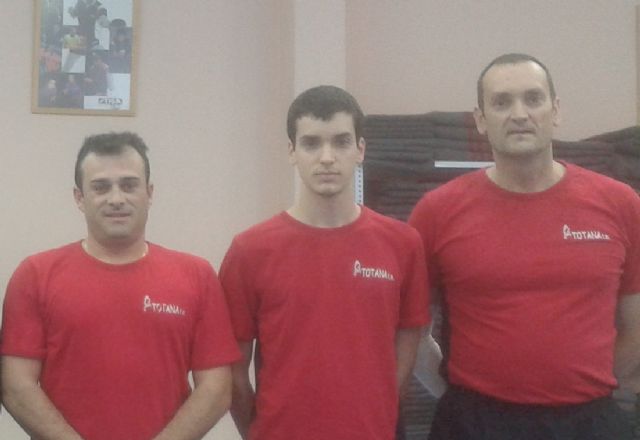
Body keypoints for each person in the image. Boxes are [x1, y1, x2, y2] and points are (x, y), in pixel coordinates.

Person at [409, 53, 640, 440]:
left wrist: (585, 388)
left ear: (556, 110)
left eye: (533, 99)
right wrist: (455, 398)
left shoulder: (620, 204)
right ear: (481, 119)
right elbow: (413, 333)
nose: (519, 114)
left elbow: (637, 327)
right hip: (474, 423)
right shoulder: (437, 211)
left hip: (590, 422)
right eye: (501, 102)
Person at [219, 85, 430, 440]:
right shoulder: (249, 251)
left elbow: (409, 339)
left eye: (341, 142)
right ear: (292, 151)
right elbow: (233, 371)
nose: (327, 157)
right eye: (312, 143)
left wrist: (380, 413)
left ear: (360, 149)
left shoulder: (402, 244)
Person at [1, 132, 241, 440]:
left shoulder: (197, 275)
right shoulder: (35, 275)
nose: (116, 199)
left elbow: (216, 389)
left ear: (149, 193)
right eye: (101, 187)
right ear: (79, 197)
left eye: (129, 185)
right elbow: (16, 386)